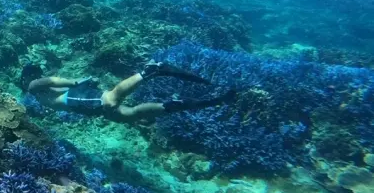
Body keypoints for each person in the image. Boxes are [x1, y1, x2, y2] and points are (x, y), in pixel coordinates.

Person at [20, 62, 235, 123]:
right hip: (77, 101)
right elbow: (55, 83)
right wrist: (79, 83)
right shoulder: (41, 92)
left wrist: (77, 80)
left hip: (76, 100)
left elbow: (52, 79)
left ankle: (150, 71)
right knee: (129, 115)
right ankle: (173, 105)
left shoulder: (34, 86)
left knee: (110, 98)